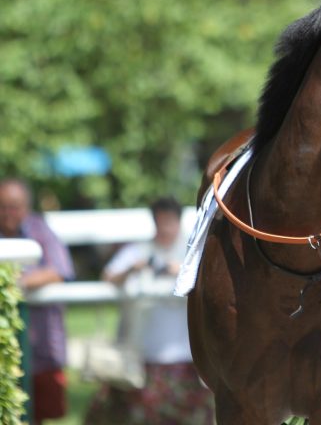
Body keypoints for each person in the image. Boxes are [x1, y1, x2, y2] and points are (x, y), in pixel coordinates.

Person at [84, 197, 214, 425]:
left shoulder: (192, 252)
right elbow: (109, 277)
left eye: (169, 222)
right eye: (160, 222)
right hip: (142, 358)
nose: (165, 228)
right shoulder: (138, 251)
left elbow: (214, 284)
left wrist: (183, 272)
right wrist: (134, 268)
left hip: (187, 359)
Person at [0, 178, 75, 424]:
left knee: (39, 414)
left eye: (14, 206)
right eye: (2, 206)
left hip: (41, 345)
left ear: (26, 207)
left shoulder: (40, 230)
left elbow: (59, 270)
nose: (8, 213)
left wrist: (13, 283)